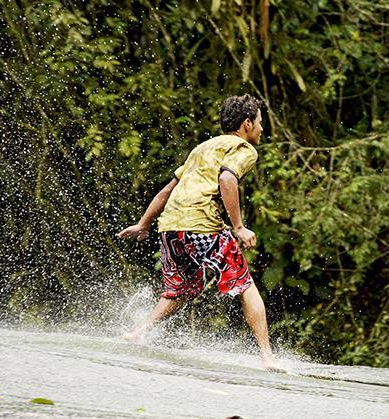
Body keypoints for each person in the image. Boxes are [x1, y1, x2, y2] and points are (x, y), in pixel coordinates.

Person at [117, 94, 281, 371]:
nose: (262, 129)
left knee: (179, 290)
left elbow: (169, 189)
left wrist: (144, 223)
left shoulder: (203, 147)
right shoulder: (243, 148)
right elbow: (227, 178)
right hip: (201, 225)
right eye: (260, 123)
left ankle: (138, 332)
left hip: (170, 227)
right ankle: (267, 358)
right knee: (245, 284)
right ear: (247, 123)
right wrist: (238, 227)